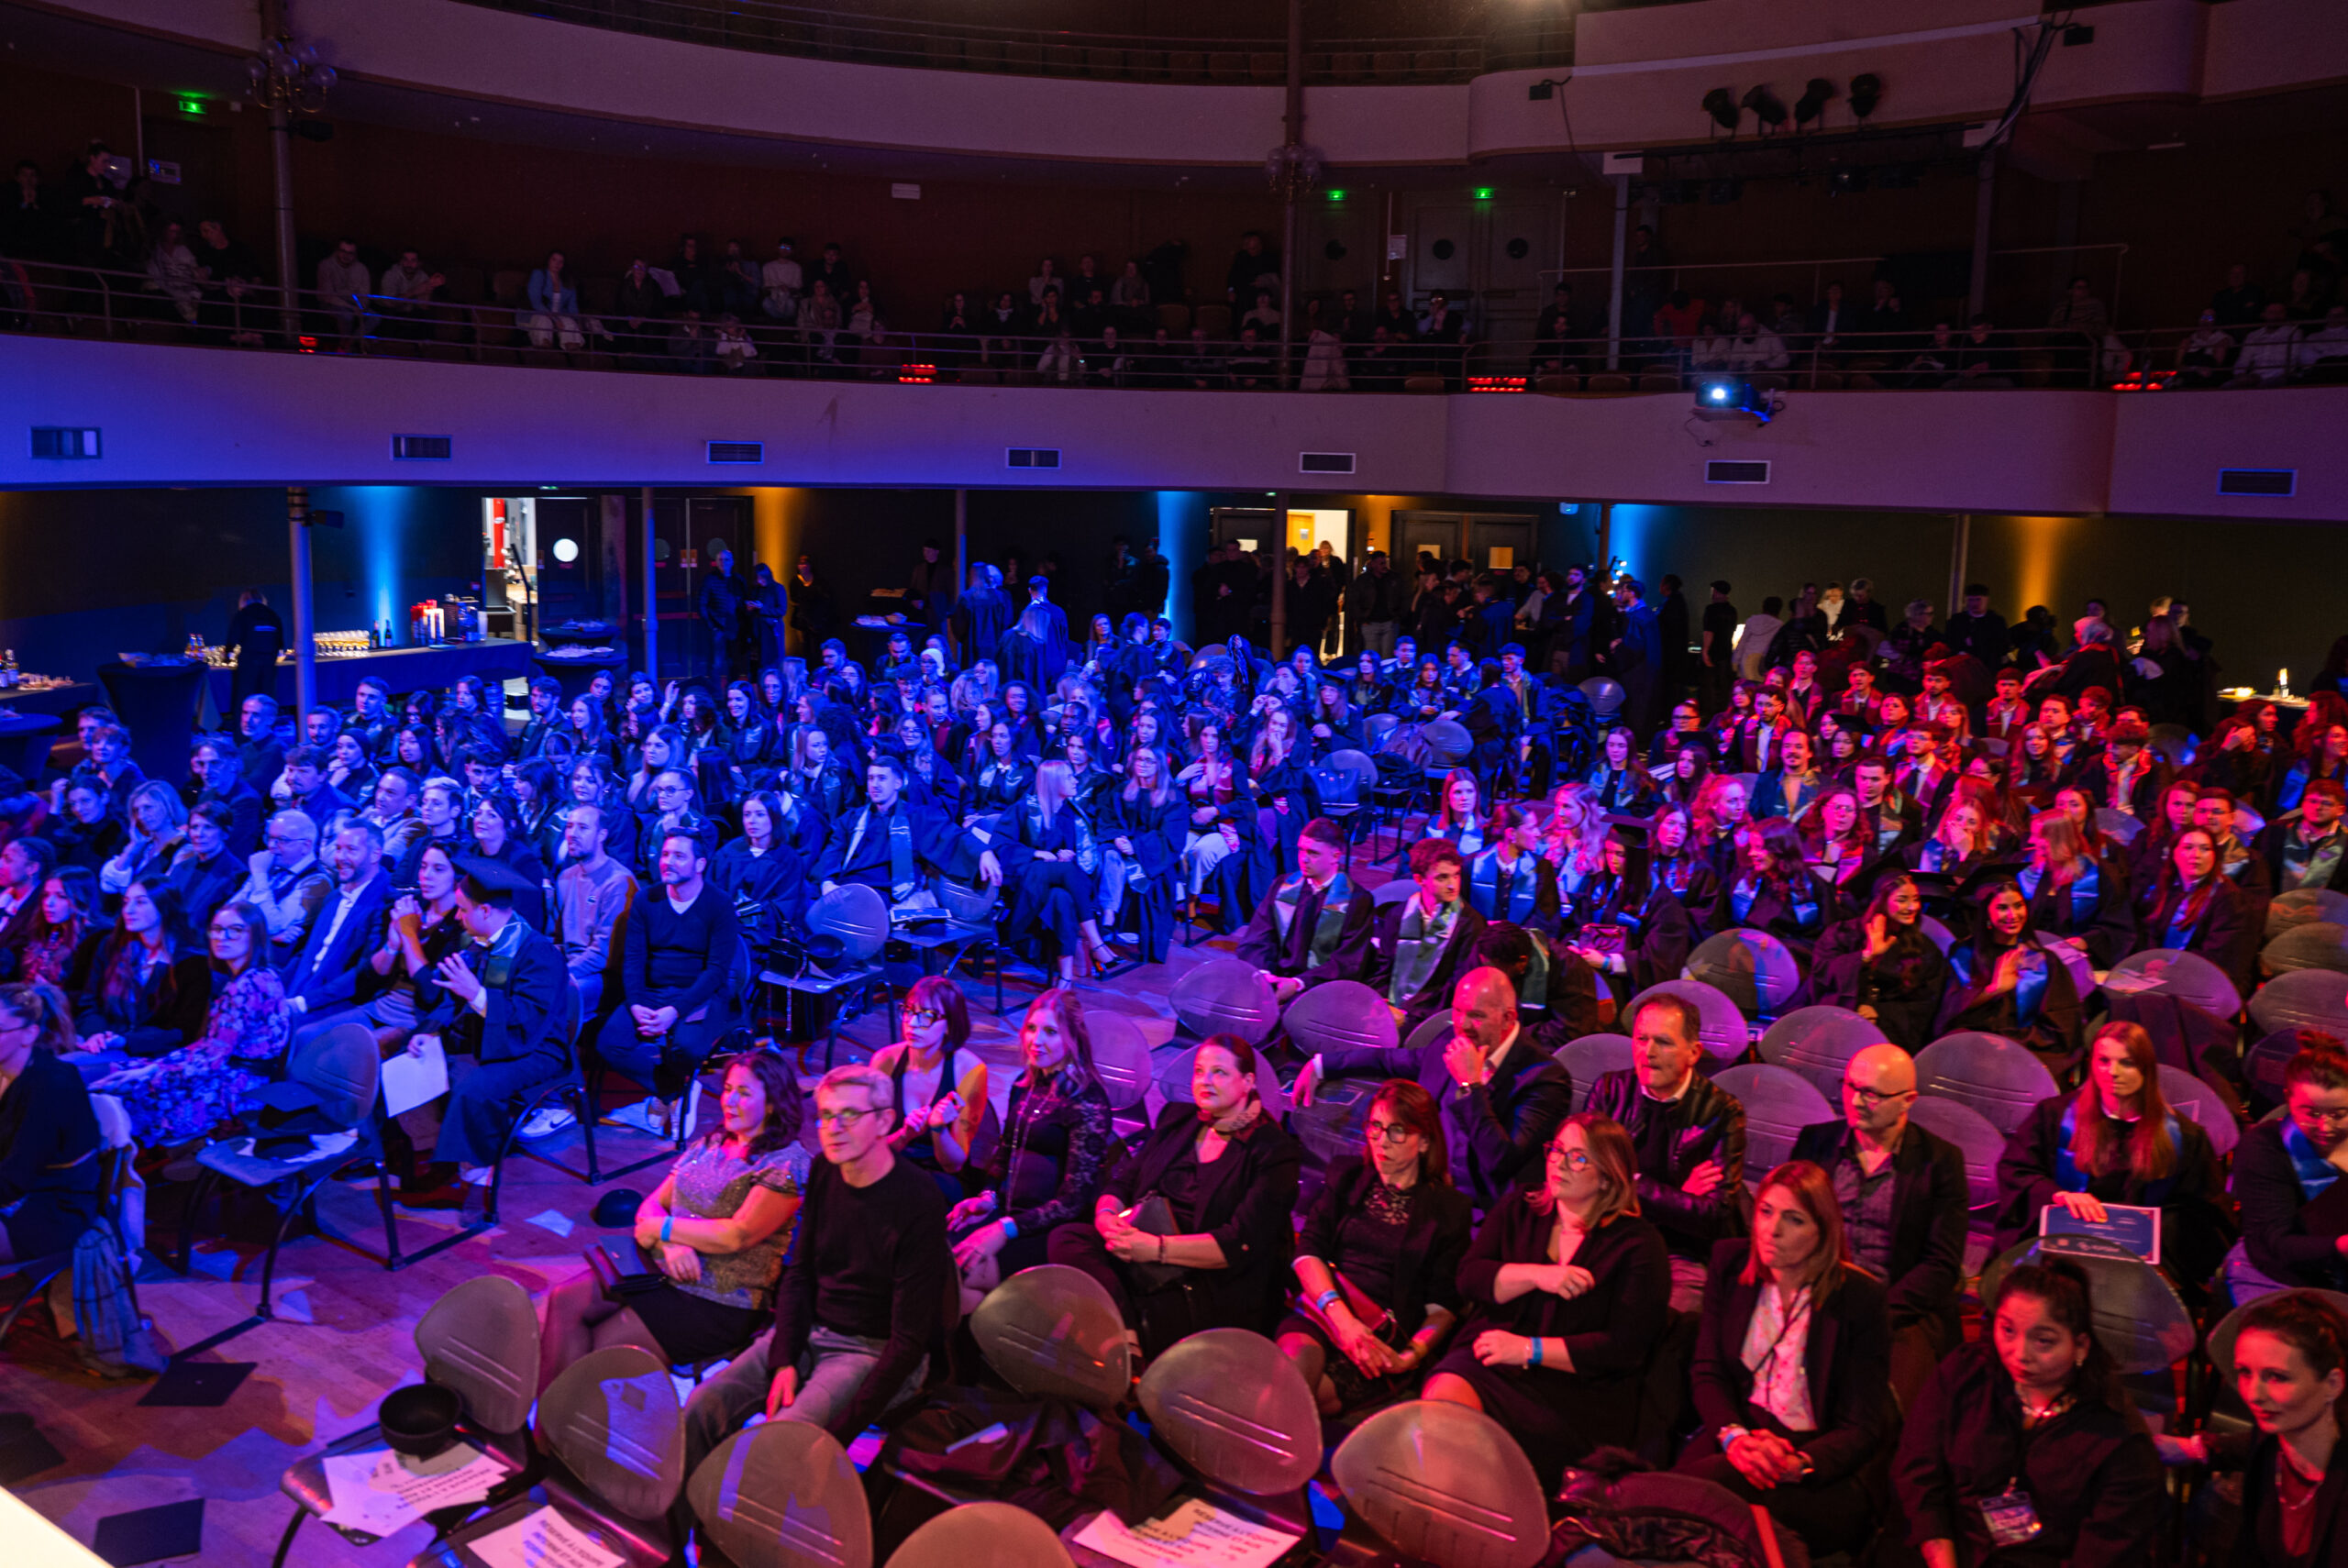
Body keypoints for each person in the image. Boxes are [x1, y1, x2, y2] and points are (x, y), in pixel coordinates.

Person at [679, 1061, 949, 1523]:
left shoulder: (918, 1199)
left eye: (849, 1115)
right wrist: (784, 1358)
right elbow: (800, 1273)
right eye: (825, 1115)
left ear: (885, 1121)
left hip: (872, 1349)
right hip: (811, 1331)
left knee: (781, 1442)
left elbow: (909, 1340)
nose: (833, 1128)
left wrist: (836, 1435)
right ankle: (683, 1529)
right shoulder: (825, 1170)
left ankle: (743, 1542)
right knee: (702, 1406)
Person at [535, 1050, 809, 1393]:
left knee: (599, 1352)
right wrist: (670, 1243)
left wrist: (663, 1229)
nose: (729, 1101)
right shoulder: (712, 1143)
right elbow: (652, 1205)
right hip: (663, 1266)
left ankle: (563, 1416)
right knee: (564, 1299)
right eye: (727, 1089)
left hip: (718, 1298)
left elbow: (737, 1235)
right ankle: (544, 1414)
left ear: (772, 1104)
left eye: (744, 1093)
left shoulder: (786, 1163)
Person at [1422, 1113, 1671, 1484]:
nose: (1560, 1163)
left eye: (1578, 1157)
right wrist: (1537, 1275)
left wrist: (1528, 1349)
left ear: (1607, 1176)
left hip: (1573, 1393)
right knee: (1442, 1405)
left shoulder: (1639, 1245)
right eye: (1557, 1150)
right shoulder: (1519, 1207)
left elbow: (1621, 1349)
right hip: (1492, 1360)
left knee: (1483, 1451)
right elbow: (1469, 1278)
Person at [1676, 1162, 1894, 1558]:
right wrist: (1735, 1438)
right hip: (1739, 1434)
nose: (1772, 1229)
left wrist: (1800, 1463)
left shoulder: (1860, 1299)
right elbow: (1708, 1371)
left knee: (1693, 1496)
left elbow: (1861, 1427)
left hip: (1815, 1465)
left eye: (1794, 1220)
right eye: (1766, 1211)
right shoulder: (1729, 1263)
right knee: (1682, 1493)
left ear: (1822, 1232)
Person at [1893, 1259, 2163, 1568]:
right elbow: (1918, 1473)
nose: (2020, 1354)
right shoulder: (1965, 1373)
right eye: (2008, 1330)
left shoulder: (2118, 1438)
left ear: (2080, 1346)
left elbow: (2105, 1550)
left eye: (2043, 1341)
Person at [1047, 1035, 1301, 1356]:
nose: (1205, 1081)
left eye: (1219, 1073)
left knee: (1092, 1307)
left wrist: (1156, 1249)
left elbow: (1238, 1243)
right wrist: (1107, 1218)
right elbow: (1124, 1181)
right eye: (1199, 1071)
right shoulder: (1178, 1118)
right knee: (1067, 1238)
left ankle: (1121, 1341)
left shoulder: (1274, 1151)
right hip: (1141, 1248)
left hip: (1202, 1276)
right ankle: (1125, 1333)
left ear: (1248, 1082)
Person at [1293, 966, 1571, 1211]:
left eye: (1476, 1016)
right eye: (1458, 1011)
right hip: (1421, 1186)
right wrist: (1322, 1064)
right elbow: (1393, 1060)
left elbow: (1500, 1161)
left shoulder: (1545, 1078)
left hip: (1481, 1211)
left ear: (1508, 1018)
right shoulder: (1451, 1039)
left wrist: (1470, 1085)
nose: (1462, 1025)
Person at [1277, 1079, 1473, 1416]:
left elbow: (1442, 1306)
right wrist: (1343, 1321)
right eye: (1376, 1127)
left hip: (1382, 1335)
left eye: (1397, 1131)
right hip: (1327, 1310)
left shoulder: (1449, 1210)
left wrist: (1410, 1357)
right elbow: (1308, 1252)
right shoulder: (1347, 1176)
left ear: (1424, 1142)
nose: (1382, 1141)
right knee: (1290, 1382)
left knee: (1302, 1404)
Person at [1791, 1043, 1970, 1404]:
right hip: (1819, 1295)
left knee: (1886, 1401)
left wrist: (1877, 1313)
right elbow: (1791, 1228)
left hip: (1898, 1309)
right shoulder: (1816, 1143)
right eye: (1850, 1087)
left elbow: (1941, 1264)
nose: (1856, 1101)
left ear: (1908, 1100)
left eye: (1871, 1094)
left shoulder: (1940, 1162)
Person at [391, 858, 574, 1208]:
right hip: (491, 1036)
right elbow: (451, 997)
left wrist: (477, 994)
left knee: (475, 1086)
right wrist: (431, 1033)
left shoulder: (538, 953)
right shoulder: (478, 943)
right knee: (408, 1056)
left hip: (536, 1048)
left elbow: (529, 1018)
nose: (458, 917)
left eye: (463, 910)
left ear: (486, 911)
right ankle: (430, 1151)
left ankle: (474, 1177)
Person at [1994, 1021, 2230, 1287]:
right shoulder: (2054, 1116)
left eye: (2126, 1063)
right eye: (2104, 1061)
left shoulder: (2185, 1137)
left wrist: (2147, 1229)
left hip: (2142, 1264)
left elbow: (2204, 1213)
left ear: (2146, 1068)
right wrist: (2058, 1195)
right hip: (2061, 1252)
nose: (2113, 1072)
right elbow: (2016, 1170)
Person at [947, 989, 1113, 1313]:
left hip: (1049, 1232)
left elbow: (1073, 1202)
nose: (1036, 1040)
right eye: (1032, 1029)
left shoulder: (1087, 1102)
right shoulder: (1025, 1083)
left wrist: (1004, 1229)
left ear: (1072, 1039)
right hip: (1008, 1216)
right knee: (938, 1259)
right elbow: (1005, 1150)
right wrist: (987, 1198)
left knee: (960, 1274)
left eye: (1050, 1032)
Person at [1584, 992, 1748, 1311]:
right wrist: (1678, 1197)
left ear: (1694, 1052)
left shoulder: (1722, 1111)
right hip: (1608, 1233)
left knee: (1670, 1314)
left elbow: (1715, 1216)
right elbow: (1585, 1182)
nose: (1648, 1052)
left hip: (1680, 1250)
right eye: (1641, 1039)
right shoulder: (1609, 1091)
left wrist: (1626, 1184)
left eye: (1663, 1042)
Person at [91, 899, 286, 1146]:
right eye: (217, 929)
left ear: (255, 935)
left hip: (238, 1089)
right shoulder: (261, 975)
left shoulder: (246, 986)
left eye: (235, 930)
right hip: (232, 1073)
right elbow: (209, 1046)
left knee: (130, 1090)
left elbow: (212, 1058)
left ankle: (122, 1163)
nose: (222, 937)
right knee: (126, 1072)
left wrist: (152, 1072)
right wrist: (151, 1067)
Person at [595, 833, 742, 1139]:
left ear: (700, 864)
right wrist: (636, 1003)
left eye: (678, 856)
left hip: (698, 994)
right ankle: (677, 1091)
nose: (667, 862)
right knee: (610, 1044)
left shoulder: (719, 905)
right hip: (652, 991)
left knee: (687, 1048)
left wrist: (674, 1011)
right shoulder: (646, 899)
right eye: (665, 854)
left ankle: (672, 1093)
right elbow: (634, 959)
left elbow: (716, 971)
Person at [2226, 1033, 2348, 1304]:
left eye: (2339, 1114)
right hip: (2282, 1275)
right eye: (2311, 1113)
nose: (2325, 1127)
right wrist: (2341, 1246)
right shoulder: (2264, 1147)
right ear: (2287, 1099)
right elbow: (2277, 1243)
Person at [0, 983, 103, 1265]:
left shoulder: (50, 1086)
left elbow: (14, 1180)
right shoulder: (9, 1072)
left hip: (47, 1209)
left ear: (29, 1033)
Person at [868, 977, 988, 1202]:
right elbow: (869, 1147)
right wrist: (904, 1136)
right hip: (890, 1164)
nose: (912, 1023)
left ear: (950, 1024)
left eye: (927, 1016)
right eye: (909, 1011)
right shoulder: (884, 1061)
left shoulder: (970, 1070)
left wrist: (938, 1129)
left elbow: (954, 1164)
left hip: (939, 1176)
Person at [1235, 817, 1373, 999]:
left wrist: (1299, 983)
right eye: (1301, 850)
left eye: (1313, 853)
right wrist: (1265, 974)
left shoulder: (1357, 900)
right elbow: (1257, 937)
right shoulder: (1283, 886)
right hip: (1272, 982)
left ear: (1335, 856)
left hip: (1320, 991)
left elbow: (1349, 961)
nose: (1304, 859)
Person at [1806, 875, 1949, 1048]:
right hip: (1838, 1018)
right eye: (1902, 900)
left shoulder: (1924, 949)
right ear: (1881, 901)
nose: (1913, 907)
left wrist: (1878, 1012)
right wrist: (1866, 955)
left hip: (1890, 1029)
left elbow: (1924, 1003)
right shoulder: (1843, 934)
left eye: (1916, 899)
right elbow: (1822, 976)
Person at [1363, 839, 1489, 1034]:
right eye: (1442, 877)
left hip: (1431, 1014)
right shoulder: (1398, 914)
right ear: (1420, 880)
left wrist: (1407, 1013)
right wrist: (1381, 1004)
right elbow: (1384, 967)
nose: (1452, 885)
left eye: (1456, 875)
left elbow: (1456, 985)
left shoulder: (1470, 923)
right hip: (1392, 1006)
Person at [222, 589, 285, 708]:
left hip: (249, 662)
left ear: (243, 601)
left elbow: (232, 639)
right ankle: (267, 718)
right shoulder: (273, 615)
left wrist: (227, 658)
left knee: (245, 698)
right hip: (269, 663)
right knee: (267, 697)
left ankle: (244, 719)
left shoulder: (243, 614)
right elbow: (280, 643)